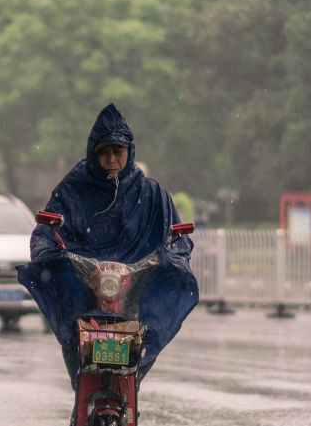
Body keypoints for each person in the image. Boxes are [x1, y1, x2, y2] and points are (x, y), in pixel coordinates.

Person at [17, 103, 199, 389]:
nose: (112, 158)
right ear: (94, 153)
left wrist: (170, 254)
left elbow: (175, 237)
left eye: (118, 151)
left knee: (148, 332)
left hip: (134, 291)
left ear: (130, 152)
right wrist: (49, 250)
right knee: (73, 336)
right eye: (105, 151)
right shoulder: (72, 190)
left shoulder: (151, 194)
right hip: (85, 291)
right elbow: (47, 231)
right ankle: (81, 391)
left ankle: (131, 389)